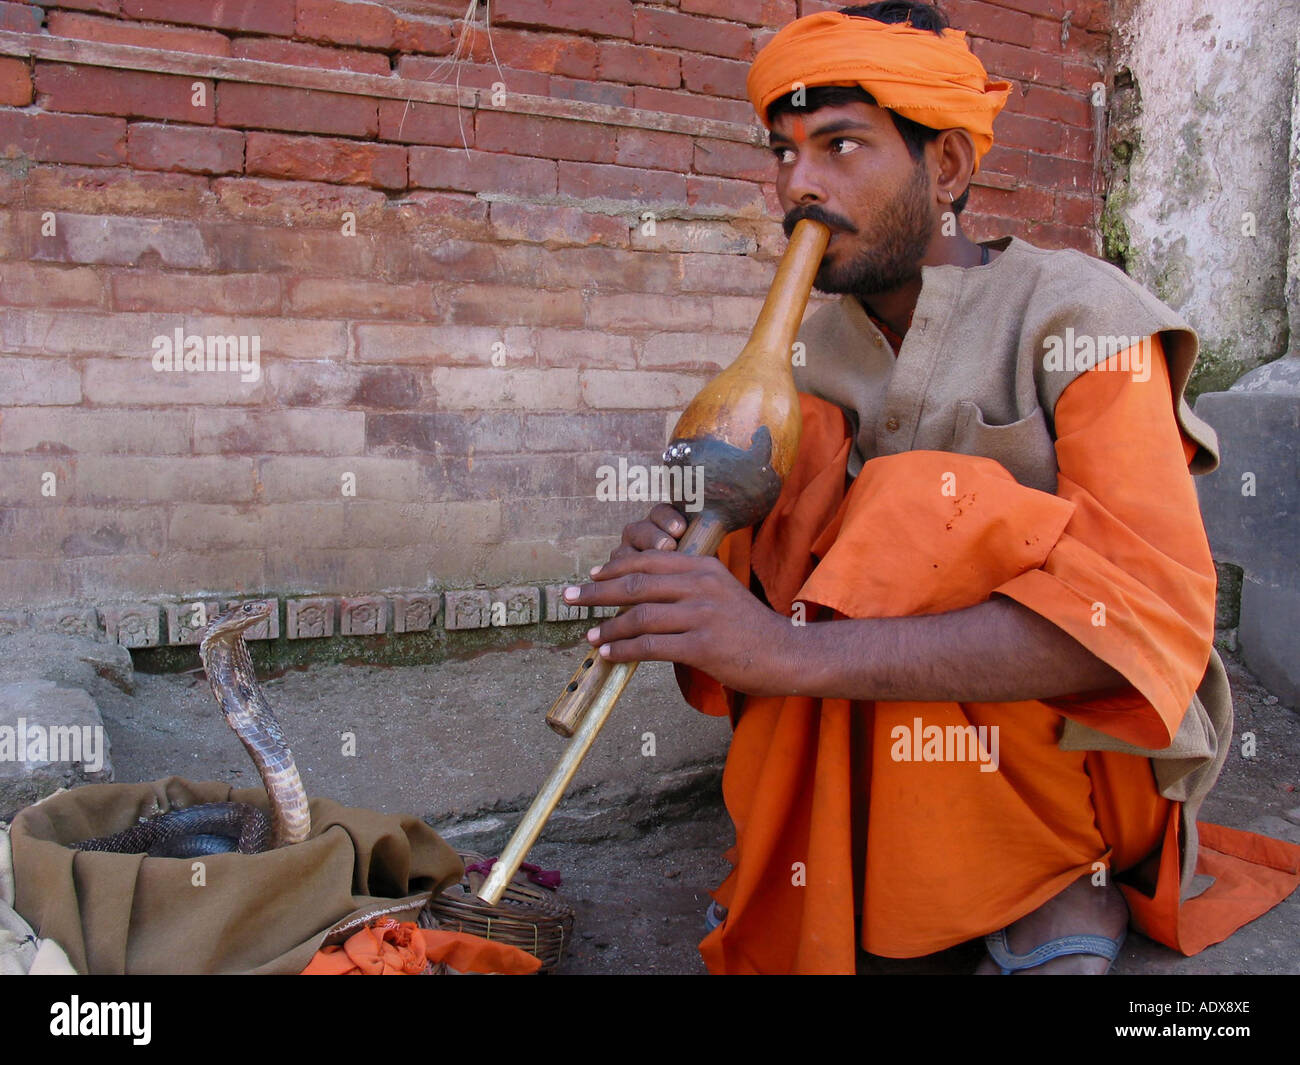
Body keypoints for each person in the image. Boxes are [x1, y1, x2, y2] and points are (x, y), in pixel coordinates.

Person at [561, 2, 1300, 974]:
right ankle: (869, 857)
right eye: (782, 152)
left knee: (918, 503)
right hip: (902, 737)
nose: (800, 186)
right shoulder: (815, 351)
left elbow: (1148, 618)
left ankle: (1052, 872)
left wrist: (781, 653)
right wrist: (697, 555)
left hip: (1083, 753)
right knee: (789, 488)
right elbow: (792, 564)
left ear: (945, 167)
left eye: (839, 146)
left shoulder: (1086, 317)